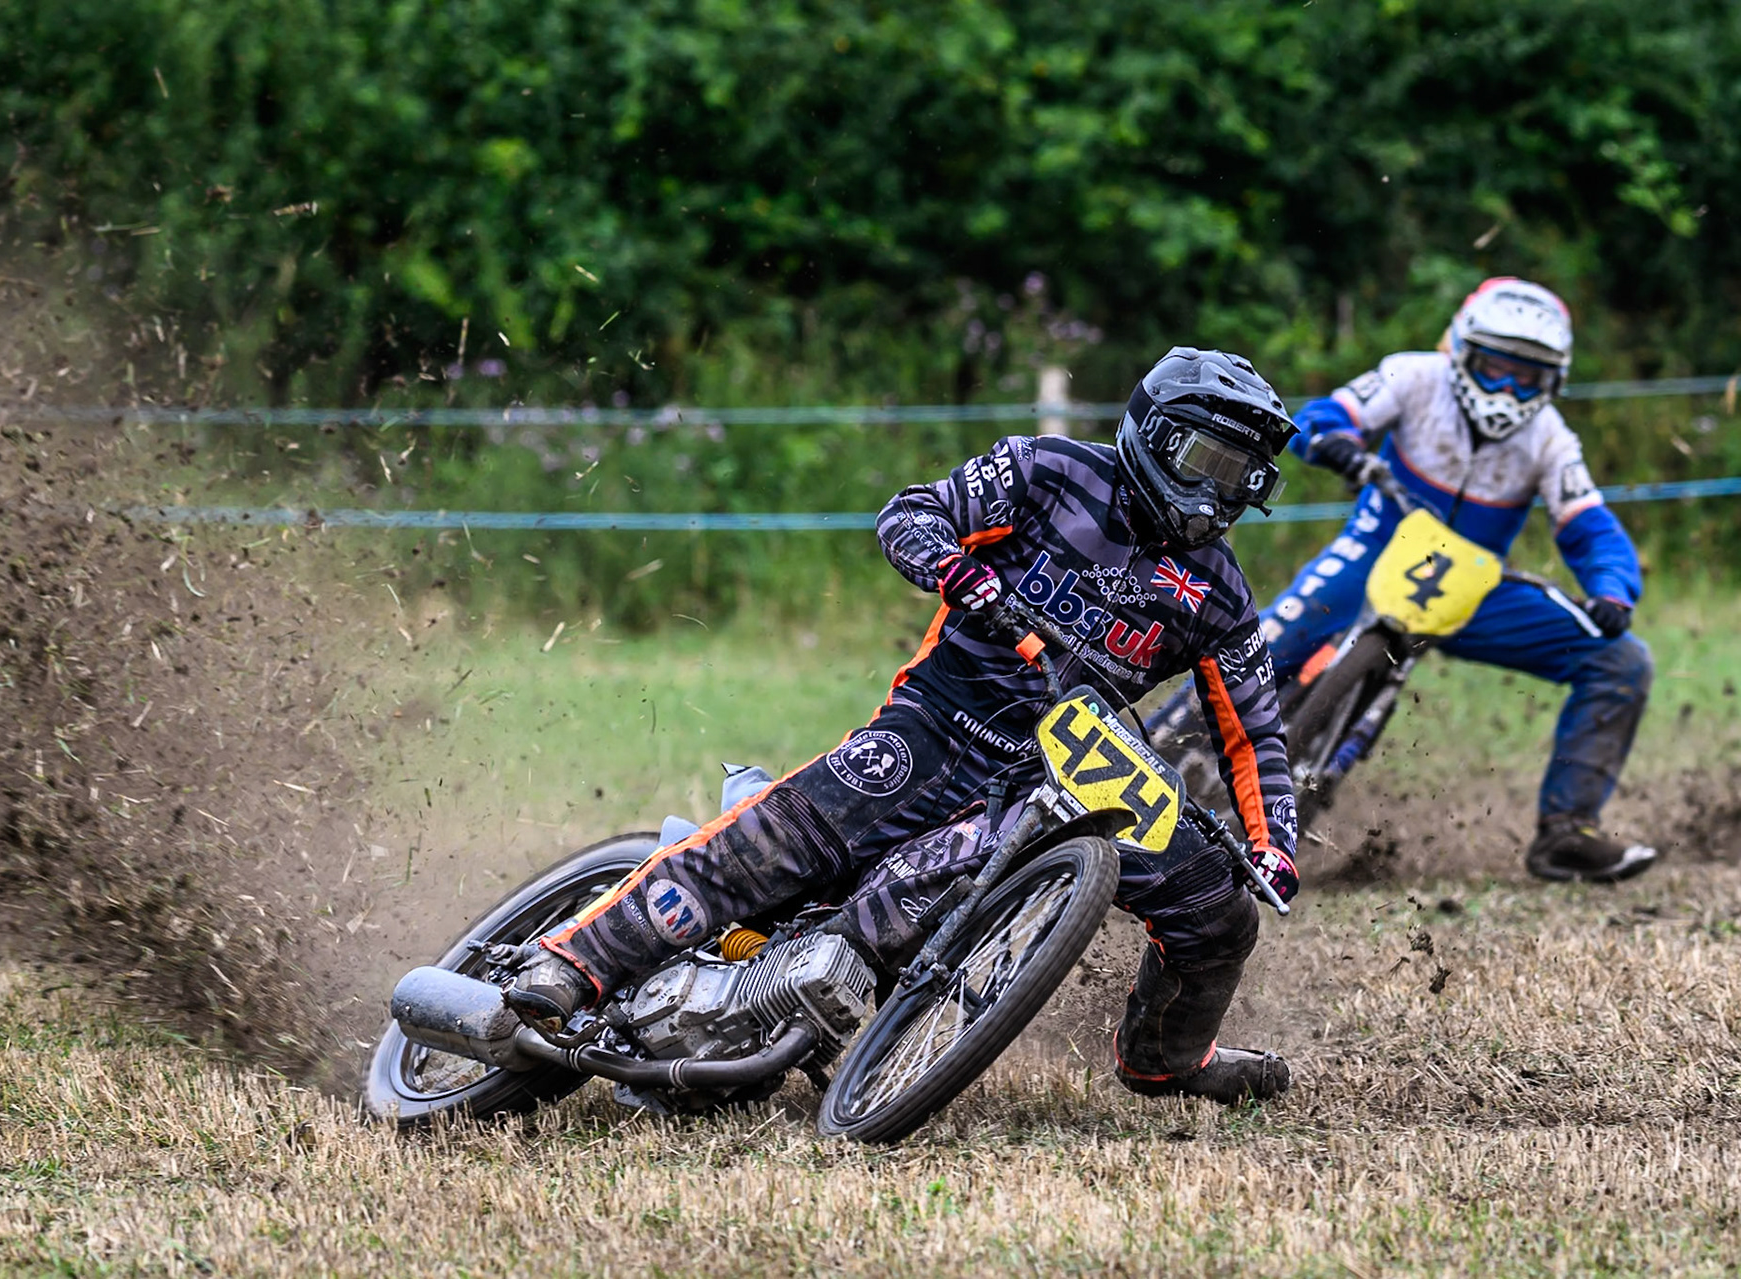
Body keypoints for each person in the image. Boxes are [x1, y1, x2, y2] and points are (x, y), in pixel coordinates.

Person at [515, 348, 1304, 1104]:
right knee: (777, 843)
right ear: (1158, 434)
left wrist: (1275, 846)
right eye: (1210, 462)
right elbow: (911, 514)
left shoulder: (1220, 593)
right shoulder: (1046, 469)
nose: (1219, 493)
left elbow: (1254, 733)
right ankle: (574, 961)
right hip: (941, 722)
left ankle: (1166, 1060)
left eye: (1242, 476)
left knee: (1218, 910)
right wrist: (961, 573)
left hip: (1076, 767)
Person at [1166, 277, 1654, 883]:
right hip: (1374, 550)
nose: (1505, 389)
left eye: (1526, 377)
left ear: (1553, 381)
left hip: (1470, 586)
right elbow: (1325, 416)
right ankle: (1155, 746)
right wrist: (1336, 442)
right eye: (1494, 368)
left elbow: (1590, 526)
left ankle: (1568, 832)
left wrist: (1612, 590)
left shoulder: (1551, 437)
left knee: (1622, 660)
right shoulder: (1414, 375)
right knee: (1257, 648)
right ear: (1461, 353)